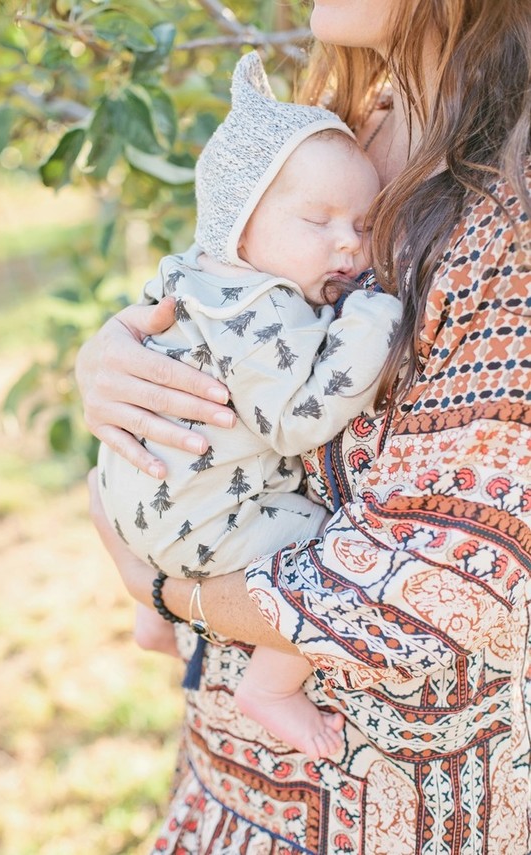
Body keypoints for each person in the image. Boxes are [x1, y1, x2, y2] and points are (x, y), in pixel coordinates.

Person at [77, 0, 531, 851]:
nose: (343, 242)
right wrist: (112, 357)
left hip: (389, 810)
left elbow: (436, 579)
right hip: (231, 782)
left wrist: (169, 595)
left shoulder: (510, 205)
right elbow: (225, 282)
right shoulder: (344, 124)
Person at [97, 50, 402, 760]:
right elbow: (297, 416)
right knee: (320, 554)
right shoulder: (262, 309)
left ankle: (150, 611)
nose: (348, 244)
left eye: (362, 224)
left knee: (100, 483)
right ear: (241, 226)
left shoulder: (197, 275)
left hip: (131, 495)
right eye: (317, 220)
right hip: (204, 519)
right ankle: (270, 686)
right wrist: (373, 316)